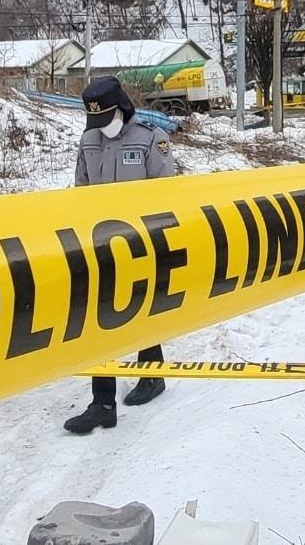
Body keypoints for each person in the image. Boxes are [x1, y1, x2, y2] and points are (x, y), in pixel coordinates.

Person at [64, 75, 175, 434]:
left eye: (105, 117)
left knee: (143, 310)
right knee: (99, 320)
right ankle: (102, 403)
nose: (101, 127)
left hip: (142, 243)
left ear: (122, 109)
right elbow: (81, 191)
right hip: (100, 245)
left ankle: (151, 374)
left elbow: (166, 196)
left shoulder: (151, 140)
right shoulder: (89, 140)